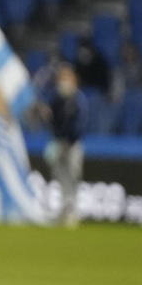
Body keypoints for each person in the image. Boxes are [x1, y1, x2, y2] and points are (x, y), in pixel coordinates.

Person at [42, 64, 87, 227]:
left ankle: (73, 212)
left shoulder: (79, 99)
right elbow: (52, 121)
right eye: (61, 78)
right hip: (58, 143)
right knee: (60, 177)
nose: (63, 81)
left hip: (73, 144)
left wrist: (69, 140)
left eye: (67, 77)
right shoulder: (56, 98)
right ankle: (63, 210)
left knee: (73, 176)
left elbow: (80, 124)